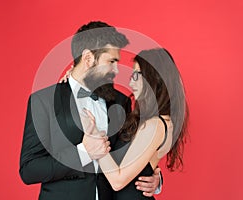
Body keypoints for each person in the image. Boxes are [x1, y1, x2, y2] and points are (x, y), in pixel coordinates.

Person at [19, 21, 161, 200]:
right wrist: (84, 152)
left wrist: (154, 177)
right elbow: (29, 169)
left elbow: (126, 158)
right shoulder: (43, 101)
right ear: (88, 58)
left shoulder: (120, 101)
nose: (116, 70)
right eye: (111, 61)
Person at [81, 48, 189, 199]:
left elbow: (118, 181)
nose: (131, 81)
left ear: (155, 78)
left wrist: (94, 136)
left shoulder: (155, 125)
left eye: (137, 74)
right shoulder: (149, 121)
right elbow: (143, 165)